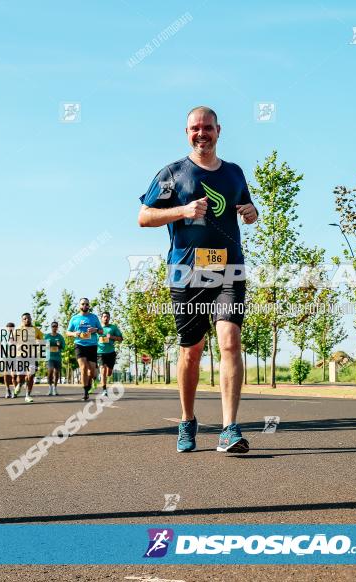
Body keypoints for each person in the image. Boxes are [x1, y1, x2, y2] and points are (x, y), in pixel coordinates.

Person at [138, 105, 258, 453]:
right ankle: (187, 420)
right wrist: (183, 210)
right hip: (186, 272)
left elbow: (246, 210)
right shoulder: (173, 174)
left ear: (219, 131)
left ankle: (229, 428)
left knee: (230, 341)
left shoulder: (234, 173)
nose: (201, 133)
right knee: (192, 350)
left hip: (229, 270)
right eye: (195, 128)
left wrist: (252, 213)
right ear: (187, 132)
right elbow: (144, 216)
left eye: (207, 127)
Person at [66, 298, 102, 401]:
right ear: (79, 305)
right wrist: (74, 334)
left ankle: (90, 383)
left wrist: (95, 330)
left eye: (86, 304)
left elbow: (101, 330)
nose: (85, 306)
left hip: (92, 345)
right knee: (83, 368)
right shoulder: (74, 318)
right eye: (83, 304)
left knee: (91, 371)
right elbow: (67, 332)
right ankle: (85, 392)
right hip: (79, 345)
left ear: (89, 306)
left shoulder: (94, 317)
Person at [18, 312, 44, 403]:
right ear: (22, 320)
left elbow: (41, 340)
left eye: (28, 318)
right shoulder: (18, 330)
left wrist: (39, 342)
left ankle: (28, 395)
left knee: (31, 375)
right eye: (25, 318)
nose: (27, 320)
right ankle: (20, 384)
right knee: (21, 377)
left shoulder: (36, 330)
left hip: (32, 355)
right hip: (20, 355)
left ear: (31, 319)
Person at [96, 312, 123, 392]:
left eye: (107, 317)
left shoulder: (113, 328)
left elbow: (121, 339)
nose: (106, 318)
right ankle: (104, 390)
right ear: (101, 318)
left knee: (109, 373)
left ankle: (103, 379)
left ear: (109, 318)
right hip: (100, 353)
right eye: (104, 317)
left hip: (111, 353)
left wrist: (111, 337)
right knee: (103, 370)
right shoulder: (97, 329)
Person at [44, 321, 65, 396]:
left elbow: (63, 347)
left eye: (56, 326)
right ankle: (50, 387)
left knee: (56, 373)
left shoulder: (60, 337)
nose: (54, 327)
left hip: (58, 357)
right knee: (50, 370)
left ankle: (55, 388)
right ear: (51, 327)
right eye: (53, 326)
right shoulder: (47, 336)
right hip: (49, 357)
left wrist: (59, 345)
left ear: (57, 327)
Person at [3, 322, 16, 398]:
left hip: (14, 356)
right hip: (5, 356)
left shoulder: (16, 335)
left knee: (13, 374)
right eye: (8, 327)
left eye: (12, 327)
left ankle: (15, 390)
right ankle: (7, 389)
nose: (10, 329)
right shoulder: (3, 335)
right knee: (6, 373)